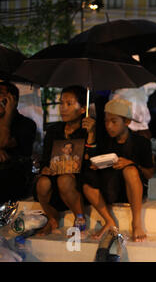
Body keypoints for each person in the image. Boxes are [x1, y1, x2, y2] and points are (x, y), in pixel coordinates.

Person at [82, 98, 154, 242]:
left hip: (133, 190)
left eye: (114, 121)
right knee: (86, 180)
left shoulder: (141, 142)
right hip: (110, 188)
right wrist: (91, 137)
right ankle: (109, 221)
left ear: (126, 122)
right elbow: (88, 161)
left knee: (130, 171)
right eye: (106, 121)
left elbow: (149, 174)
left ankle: (136, 223)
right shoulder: (105, 140)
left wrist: (131, 163)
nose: (109, 126)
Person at [33, 85, 96, 236]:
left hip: (80, 180)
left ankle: (79, 218)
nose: (63, 108)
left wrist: (91, 135)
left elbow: (93, 160)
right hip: (56, 176)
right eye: (61, 103)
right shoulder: (54, 130)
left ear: (82, 109)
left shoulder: (88, 129)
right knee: (42, 183)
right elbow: (46, 158)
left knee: (65, 180)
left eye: (69, 104)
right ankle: (52, 219)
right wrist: (45, 169)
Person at [0, 81, 36, 203]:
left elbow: (4, 142)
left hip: (15, 177)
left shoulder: (26, 124)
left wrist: (8, 115)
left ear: (12, 99)